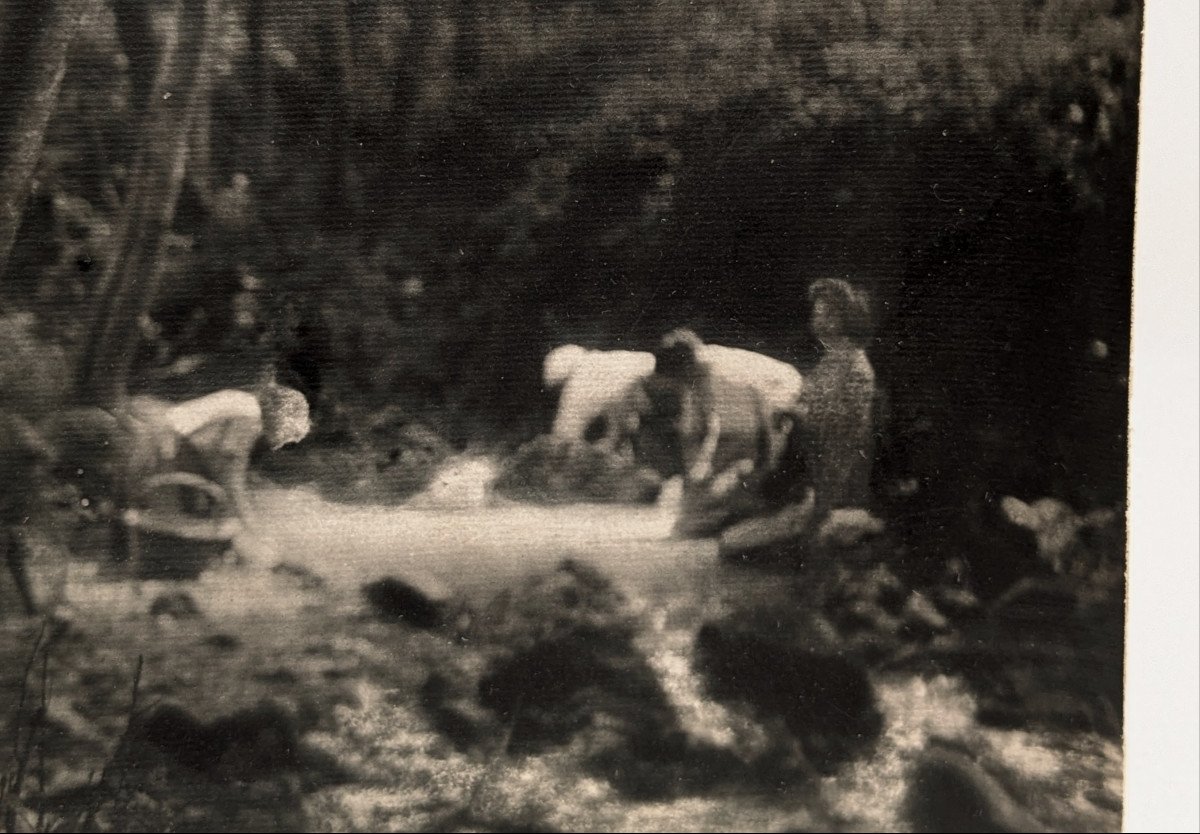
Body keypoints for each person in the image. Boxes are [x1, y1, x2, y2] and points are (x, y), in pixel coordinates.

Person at [719, 278, 881, 557]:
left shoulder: (854, 364)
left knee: (737, 545)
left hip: (840, 479)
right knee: (732, 537)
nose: (820, 322)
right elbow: (807, 406)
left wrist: (795, 414)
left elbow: (846, 422)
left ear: (849, 317)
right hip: (817, 477)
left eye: (829, 314)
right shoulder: (829, 362)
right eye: (817, 314)